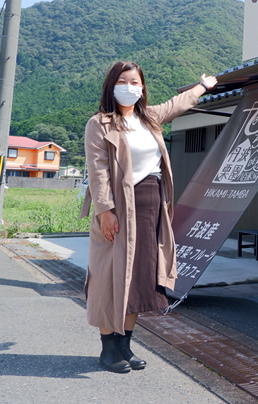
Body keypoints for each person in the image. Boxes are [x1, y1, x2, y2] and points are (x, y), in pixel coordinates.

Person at [81, 61, 217, 373]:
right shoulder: (99, 124)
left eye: (135, 82)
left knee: (140, 278)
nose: (129, 87)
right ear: (111, 85)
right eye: (123, 81)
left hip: (151, 206)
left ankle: (125, 346)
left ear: (142, 88)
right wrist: (105, 211)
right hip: (117, 207)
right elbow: (98, 170)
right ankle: (108, 349)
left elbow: (177, 104)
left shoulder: (149, 117)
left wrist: (202, 86)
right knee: (108, 277)